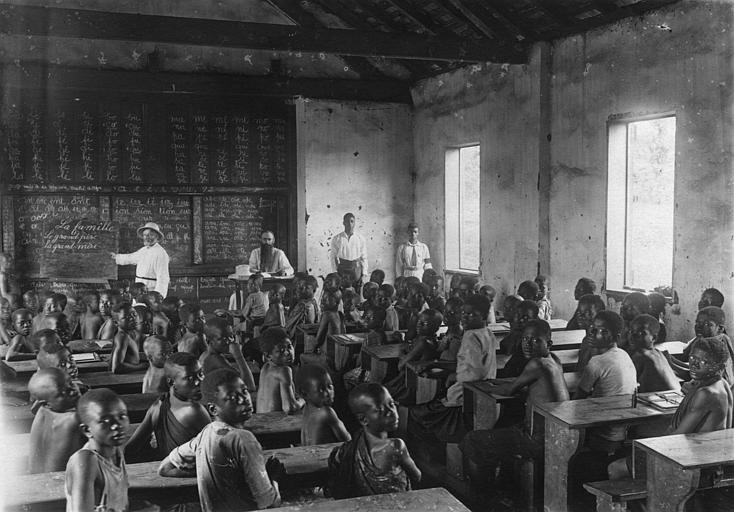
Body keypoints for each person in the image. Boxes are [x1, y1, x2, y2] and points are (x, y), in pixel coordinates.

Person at [460, 319, 569, 501]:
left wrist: (489, 384)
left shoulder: (536, 364)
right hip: (555, 434)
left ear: (548, 343)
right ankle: (503, 488)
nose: (527, 344)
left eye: (535, 340)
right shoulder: (554, 360)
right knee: (502, 429)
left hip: (536, 438)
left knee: (473, 440)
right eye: (525, 339)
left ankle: (482, 499)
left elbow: (510, 391)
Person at [158, 368, 282, 512]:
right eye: (232, 397)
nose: (244, 399)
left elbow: (165, 468)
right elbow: (270, 504)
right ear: (213, 409)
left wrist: (213, 472)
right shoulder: (244, 439)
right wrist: (274, 478)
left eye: (244, 390)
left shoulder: (207, 432)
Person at [409, 294, 498, 442]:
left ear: (483, 316)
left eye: (471, 314)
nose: (465, 317)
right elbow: (471, 364)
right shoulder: (487, 333)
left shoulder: (470, 336)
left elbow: (473, 374)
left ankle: (429, 458)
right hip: (482, 393)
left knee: (416, 414)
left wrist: (453, 375)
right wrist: (436, 364)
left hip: (462, 399)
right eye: (463, 313)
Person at [328, 383, 420, 498]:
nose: (391, 412)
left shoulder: (352, 445)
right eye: (380, 410)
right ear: (363, 419)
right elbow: (417, 476)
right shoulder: (395, 446)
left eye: (392, 404)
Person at [126, 352, 209, 462]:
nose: (199, 381)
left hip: (166, 464)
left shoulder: (159, 405)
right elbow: (214, 452)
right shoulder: (194, 411)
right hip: (189, 474)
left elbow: (130, 449)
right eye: (190, 378)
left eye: (201, 374)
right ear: (171, 382)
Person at [575, 311, 637, 452]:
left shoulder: (597, 361)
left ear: (617, 337)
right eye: (593, 329)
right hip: (622, 429)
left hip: (603, 433)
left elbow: (576, 401)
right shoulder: (624, 355)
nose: (594, 334)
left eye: (603, 331)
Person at [65, 388, 130, 512]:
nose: (117, 425)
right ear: (87, 430)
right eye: (105, 421)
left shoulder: (115, 448)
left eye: (122, 416)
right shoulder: (85, 461)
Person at [28, 368, 84, 473]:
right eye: (63, 393)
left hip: (36, 480)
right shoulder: (75, 419)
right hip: (61, 482)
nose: (73, 391)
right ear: (47, 402)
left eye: (71, 383)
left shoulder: (41, 411)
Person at [111, 221, 171, 297]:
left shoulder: (161, 253)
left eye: (150, 235)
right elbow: (130, 258)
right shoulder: (144, 250)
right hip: (139, 289)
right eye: (145, 235)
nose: (146, 237)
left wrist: (158, 297)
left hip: (151, 290)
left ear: (157, 237)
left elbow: (163, 278)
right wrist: (116, 257)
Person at [297, 364, 351, 445]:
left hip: (309, 455)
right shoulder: (326, 413)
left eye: (330, 386)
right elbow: (348, 440)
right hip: (323, 457)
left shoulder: (306, 409)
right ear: (304, 394)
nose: (328, 393)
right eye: (321, 389)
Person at [256, 327, 303, 414]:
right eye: (281, 350)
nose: (288, 352)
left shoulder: (265, 367)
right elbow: (289, 408)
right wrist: (302, 401)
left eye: (289, 346)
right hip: (274, 424)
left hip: (261, 419)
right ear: (268, 356)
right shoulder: (284, 371)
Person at [627, 314, 679, 392]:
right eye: (631, 332)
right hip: (674, 398)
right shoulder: (658, 353)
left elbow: (627, 383)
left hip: (663, 401)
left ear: (654, 338)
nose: (633, 336)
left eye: (641, 333)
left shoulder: (642, 355)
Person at [330, 213, 368, 291]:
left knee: (356, 292)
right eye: (347, 221)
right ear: (343, 223)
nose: (349, 224)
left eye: (352, 221)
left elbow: (364, 257)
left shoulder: (360, 238)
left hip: (356, 269)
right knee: (343, 292)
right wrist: (335, 272)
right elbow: (333, 257)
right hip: (342, 269)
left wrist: (364, 274)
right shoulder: (337, 238)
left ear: (354, 223)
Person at [110, 302, 148, 374]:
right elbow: (116, 367)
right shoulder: (122, 337)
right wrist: (141, 366)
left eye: (134, 314)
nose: (132, 318)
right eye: (126, 317)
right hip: (123, 378)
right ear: (116, 323)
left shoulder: (131, 333)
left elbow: (132, 355)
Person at [574, 294, 607, 373]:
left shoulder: (596, 342)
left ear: (599, 316)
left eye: (588, 313)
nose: (581, 316)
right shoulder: (587, 338)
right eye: (579, 312)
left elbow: (586, 371)